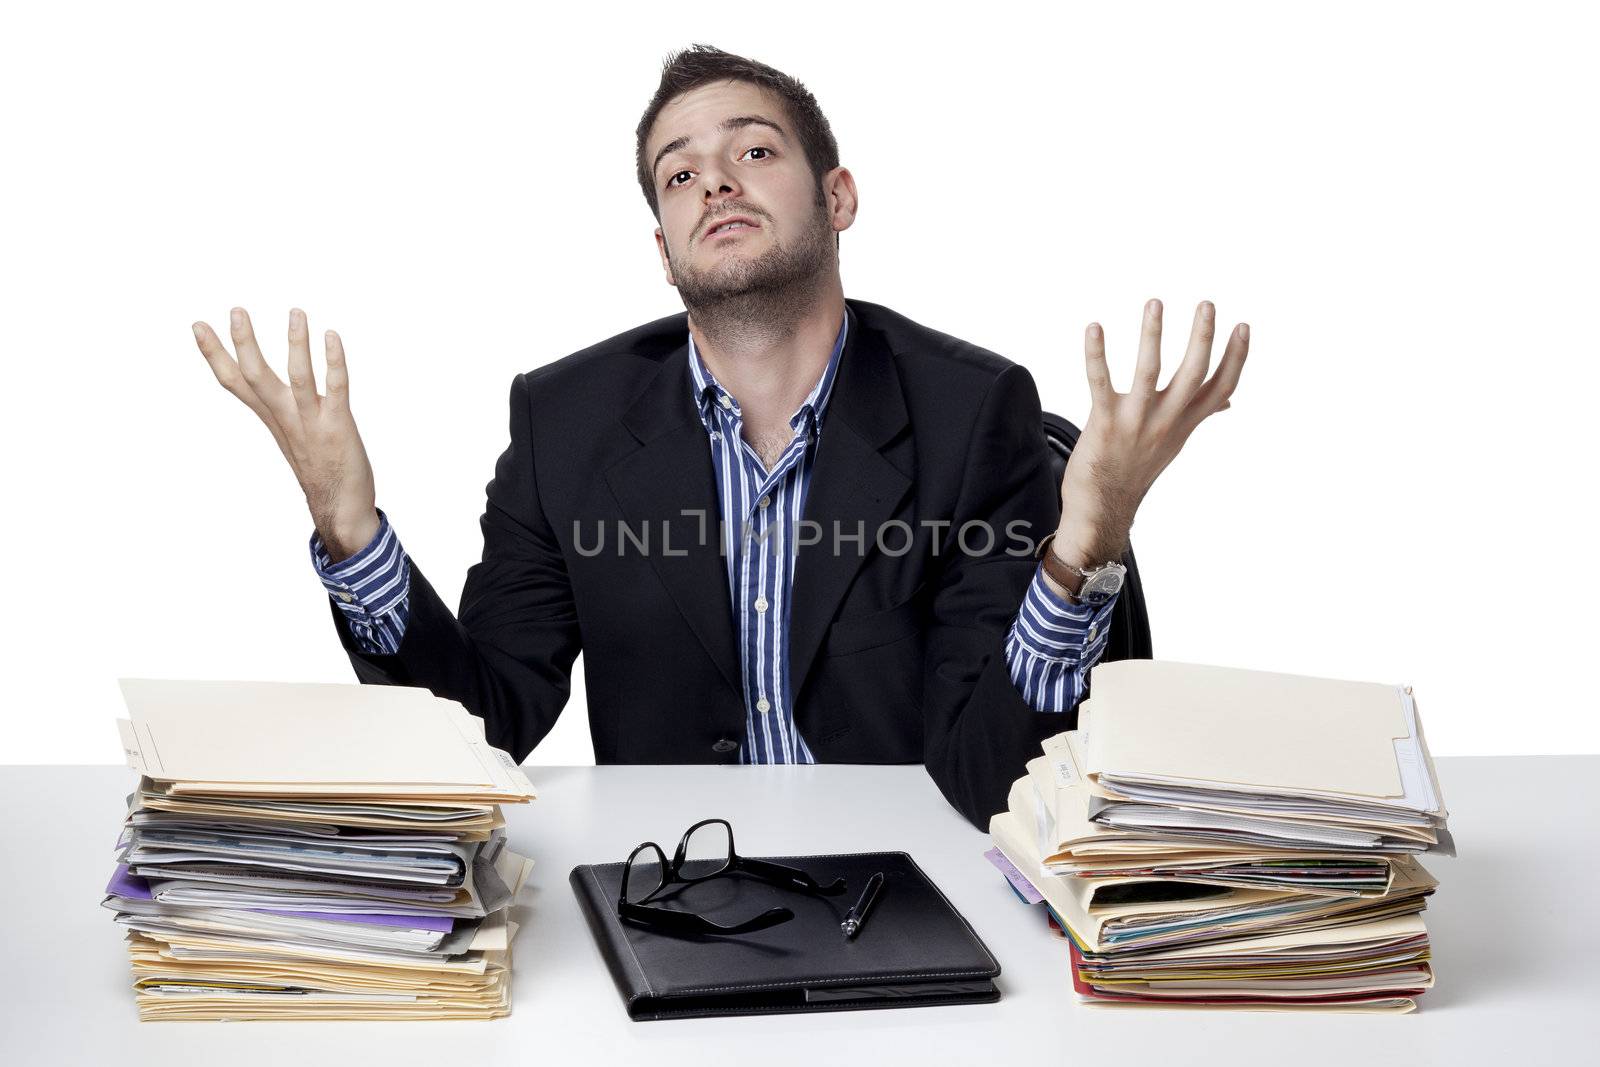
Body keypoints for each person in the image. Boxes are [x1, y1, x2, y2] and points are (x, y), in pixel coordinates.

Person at [191, 44, 1248, 830]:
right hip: (672, 888)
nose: (718, 182)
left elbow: (990, 779)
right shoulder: (564, 422)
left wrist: (1089, 541)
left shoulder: (975, 413)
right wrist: (350, 531)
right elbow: (484, 724)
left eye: (753, 149)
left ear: (837, 197)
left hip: (909, 883)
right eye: (681, 172)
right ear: (663, 245)